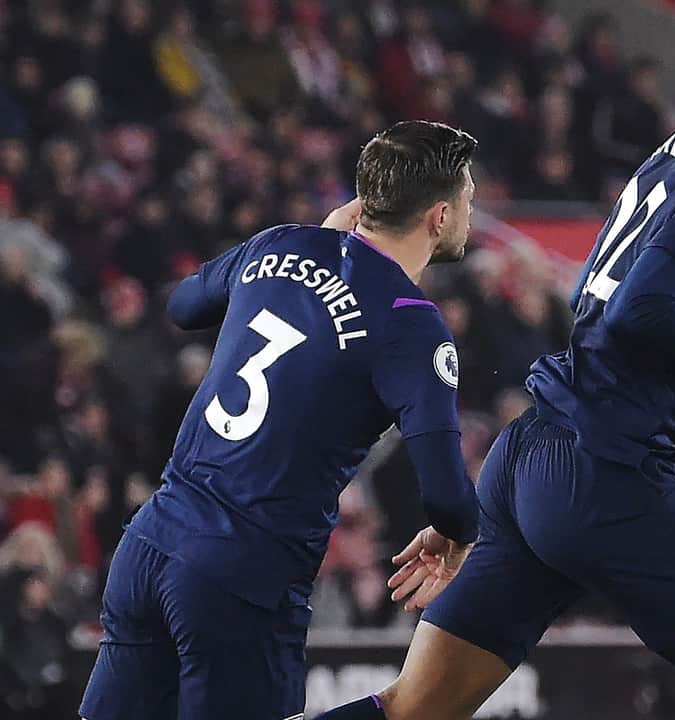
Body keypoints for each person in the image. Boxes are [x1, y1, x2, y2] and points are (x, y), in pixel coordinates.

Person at [320, 48, 675, 720]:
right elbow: (639, 310)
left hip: (533, 455)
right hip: (607, 470)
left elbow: (633, 313)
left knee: (413, 708)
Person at [78, 120, 481, 720]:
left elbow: (182, 304)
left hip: (151, 543)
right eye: (469, 200)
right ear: (440, 216)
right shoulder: (410, 323)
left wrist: (313, 246)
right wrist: (458, 536)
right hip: (241, 573)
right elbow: (446, 495)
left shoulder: (279, 244)